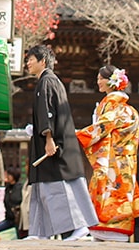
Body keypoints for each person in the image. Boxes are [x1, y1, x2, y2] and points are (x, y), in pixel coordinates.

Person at [24, 44, 97, 241]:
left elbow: (48, 112)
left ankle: (77, 225)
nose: (27, 62)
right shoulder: (49, 82)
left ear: (43, 62)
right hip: (52, 142)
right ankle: (39, 231)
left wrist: (48, 137)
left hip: (54, 145)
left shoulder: (47, 82)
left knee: (57, 190)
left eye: (31, 59)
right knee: (44, 189)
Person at [75, 65, 139, 241]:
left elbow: (101, 128)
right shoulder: (130, 110)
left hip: (112, 161)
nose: (98, 81)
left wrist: (73, 136)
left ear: (111, 82)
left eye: (101, 78)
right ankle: (117, 230)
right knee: (122, 195)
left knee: (110, 193)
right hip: (126, 162)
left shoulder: (112, 105)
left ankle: (107, 228)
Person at [0, 166, 23, 239]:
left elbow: (16, 200)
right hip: (9, 218)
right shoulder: (8, 188)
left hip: (18, 219)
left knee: (20, 236)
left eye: (8, 175)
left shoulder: (19, 188)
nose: (6, 176)